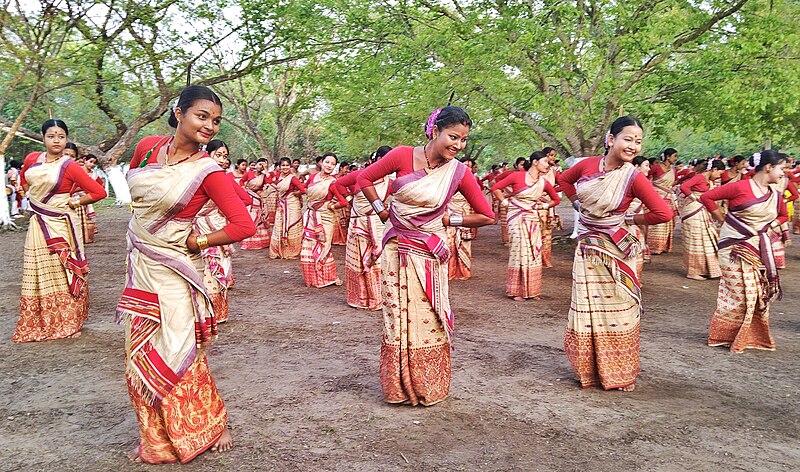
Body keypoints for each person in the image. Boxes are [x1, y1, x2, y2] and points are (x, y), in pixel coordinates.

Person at [116, 85, 255, 464]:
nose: (209, 126)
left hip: (176, 270)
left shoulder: (208, 171)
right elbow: (137, 193)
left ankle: (210, 425)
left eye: (216, 121)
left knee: (178, 350)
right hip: (141, 264)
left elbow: (244, 224)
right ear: (178, 112)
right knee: (137, 352)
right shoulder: (147, 146)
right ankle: (156, 439)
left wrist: (198, 241)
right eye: (202, 116)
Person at [357, 106, 495, 406]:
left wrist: (449, 221)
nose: (458, 145)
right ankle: (398, 387)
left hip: (429, 252)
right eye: (453, 137)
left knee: (429, 316)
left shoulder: (459, 172)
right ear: (435, 132)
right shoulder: (402, 155)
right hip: (396, 251)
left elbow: (487, 215)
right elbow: (363, 179)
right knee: (396, 317)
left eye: (464, 140)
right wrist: (382, 211)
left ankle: (427, 384)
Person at [558, 116, 671, 391]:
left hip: (617, 250)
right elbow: (563, 180)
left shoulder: (633, 177)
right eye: (628, 139)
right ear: (611, 140)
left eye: (638, 141)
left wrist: (631, 221)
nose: (633, 146)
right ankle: (588, 370)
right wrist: (576, 204)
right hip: (588, 250)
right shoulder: (585, 165)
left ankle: (618, 373)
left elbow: (663, 213)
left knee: (619, 310)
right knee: (587, 309)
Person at [13, 119, 107, 342]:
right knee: (37, 269)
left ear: (66, 139)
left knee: (61, 269)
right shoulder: (32, 160)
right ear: (43, 137)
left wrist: (74, 203)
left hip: (61, 224)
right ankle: (40, 319)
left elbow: (98, 193)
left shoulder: (69, 165)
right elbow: (26, 182)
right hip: (38, 223)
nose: (56, 140)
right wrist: (35, 201)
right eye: (51, 136)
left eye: (61, 136)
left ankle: (67, 320)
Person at [700, 150, 788, 353]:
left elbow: (783, 216)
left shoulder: (775, 195)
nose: (783, 174)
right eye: (781, 169)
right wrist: (723, 219)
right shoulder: (739, 187)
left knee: (755, 291)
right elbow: (707, 197)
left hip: (758, 246)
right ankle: (725, 335)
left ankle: (750, 335)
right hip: (732, 247)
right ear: (768, 167)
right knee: (737, 292)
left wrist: (769, 226)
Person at [193, 139, 253, 324]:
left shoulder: (224, 179)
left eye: (225, 156)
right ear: (206, 153)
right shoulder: (192, 176)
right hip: (192, 229)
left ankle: (213, 314)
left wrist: (225, 207)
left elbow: (247, 200)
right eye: (217, 155)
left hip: (214, 230)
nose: (222, 160)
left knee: (214, 269)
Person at [492, 151, 560, 300]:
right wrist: (504, 202)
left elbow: (556, 199)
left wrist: (542, 207)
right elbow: (496, 187)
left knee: (533, 253)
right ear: (535, 162)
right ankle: (516, 291)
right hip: (516, 217)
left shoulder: (543, 182)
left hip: (532, 218)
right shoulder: (517, 176)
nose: (548, 165)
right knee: (518, 251)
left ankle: (532, 290)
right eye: (545, 162)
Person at [334, 146, 392, 309]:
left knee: (378, 259)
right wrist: (348, 199)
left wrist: (383, 205)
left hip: (377, 223)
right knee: (358, 260)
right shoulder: (360, 175)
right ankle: (360, 297)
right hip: (358, 223)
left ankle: (378, 297)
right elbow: (337, 185)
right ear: (378, 159)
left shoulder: (389, 181)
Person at [300, 152, 348, 287]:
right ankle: (312, 277)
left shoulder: (333, 182)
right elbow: (305, 190)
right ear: (321, 162)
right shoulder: (312, 178)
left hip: (326, 217)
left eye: (333, 164)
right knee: (309, 244)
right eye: (327, 162)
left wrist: (331, 205)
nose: (329, 166)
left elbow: (343, 202)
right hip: (311, 216)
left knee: (323, 245)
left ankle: (327, 277)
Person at [678, 159, 725, 280]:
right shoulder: (699, 177)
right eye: (719, 174)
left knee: (706, 241)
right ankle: (693, 271)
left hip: (702, 211)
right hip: (693, 212)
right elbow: (684, 187)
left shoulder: (710, 181)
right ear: (713, 169)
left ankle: (706, 269)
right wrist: (694, 198)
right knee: (695, 241)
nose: (718, 177)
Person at [270, 157, 307, 259]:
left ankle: (292, 251)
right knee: (279, 226)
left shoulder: (293, 178)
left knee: (292, 226)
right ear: (280, 167)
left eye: (287, 165)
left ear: (290, 166)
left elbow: (303, 190)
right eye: (283, 165)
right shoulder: (278, 177)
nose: (285, 167)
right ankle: (278, 250)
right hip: (281, 205)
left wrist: (295, 193)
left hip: (292, 205)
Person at [646, 148, 678, 254]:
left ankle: (663, 246)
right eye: (674, 156)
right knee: (657, 221)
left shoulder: (673, 170)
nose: (676, 159)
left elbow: (674, 182)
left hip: (668, 197)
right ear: (668, 157)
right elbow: (647, 179)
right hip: (657, 196)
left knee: (668, 220)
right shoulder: (656, 168)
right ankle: (653, 246)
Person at [72, 154, 104, 244]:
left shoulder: (94, 175)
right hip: (74, 197)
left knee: (88, 218)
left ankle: (87, 237)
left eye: (94, 163)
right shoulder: (77, 171)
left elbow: (101, 185)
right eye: (90, 162)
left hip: (87, 198)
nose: (92, 165)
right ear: (85, 160)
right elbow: (72, 186)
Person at [539, 147, 562, 268]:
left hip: (549, 206)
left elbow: (563, 184)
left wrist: (551, 192)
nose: (553, 158)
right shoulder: (536, 169)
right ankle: (535, 259)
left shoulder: (554, 171)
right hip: (535, 204)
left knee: (547, 234)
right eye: (551, 155)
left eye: (554, 155)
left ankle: (545, 260)